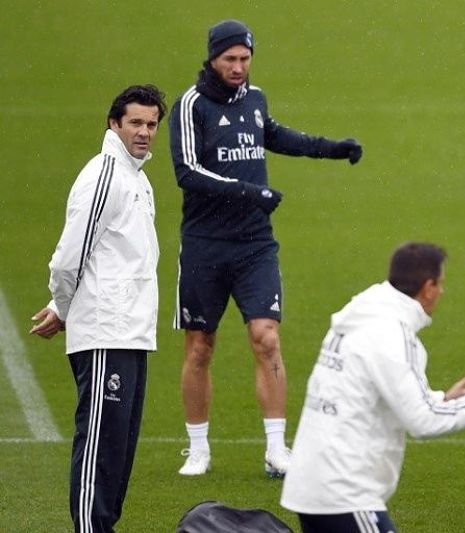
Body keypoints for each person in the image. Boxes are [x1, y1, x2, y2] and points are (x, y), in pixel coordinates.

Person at [169, 19, 363, 477]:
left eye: (245, 58)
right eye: (229, 59)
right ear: (212, 59)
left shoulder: (254, 101)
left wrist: (329, 149)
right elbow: (188, 173)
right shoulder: (190, 106)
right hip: (204, 246)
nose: (239, 67)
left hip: (255, 244)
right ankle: (198, 448)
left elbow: (273, 135)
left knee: (266, 338)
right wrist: (249, 193)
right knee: (200, 346)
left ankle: (277, 449)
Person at [280, 242, 465, 532]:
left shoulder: (361, 315)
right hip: (344, 492)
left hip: (312, 484)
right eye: (441, 283)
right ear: (428, 287)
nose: (443, 292)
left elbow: (373, 392)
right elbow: (423, 420)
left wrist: (442, 398)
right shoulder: (392, 333)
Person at [29, 85, 167, 532]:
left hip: (131, 332)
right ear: (114, 124)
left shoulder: (137, 178)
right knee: (99, 449)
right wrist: (66, 307)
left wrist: (60, 304)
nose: (145, 132)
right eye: (136, 123)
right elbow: (68, 258)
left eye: (151, 124)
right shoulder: (105, 175)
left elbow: (107, 257)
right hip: (107, 332)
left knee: (118, 452)